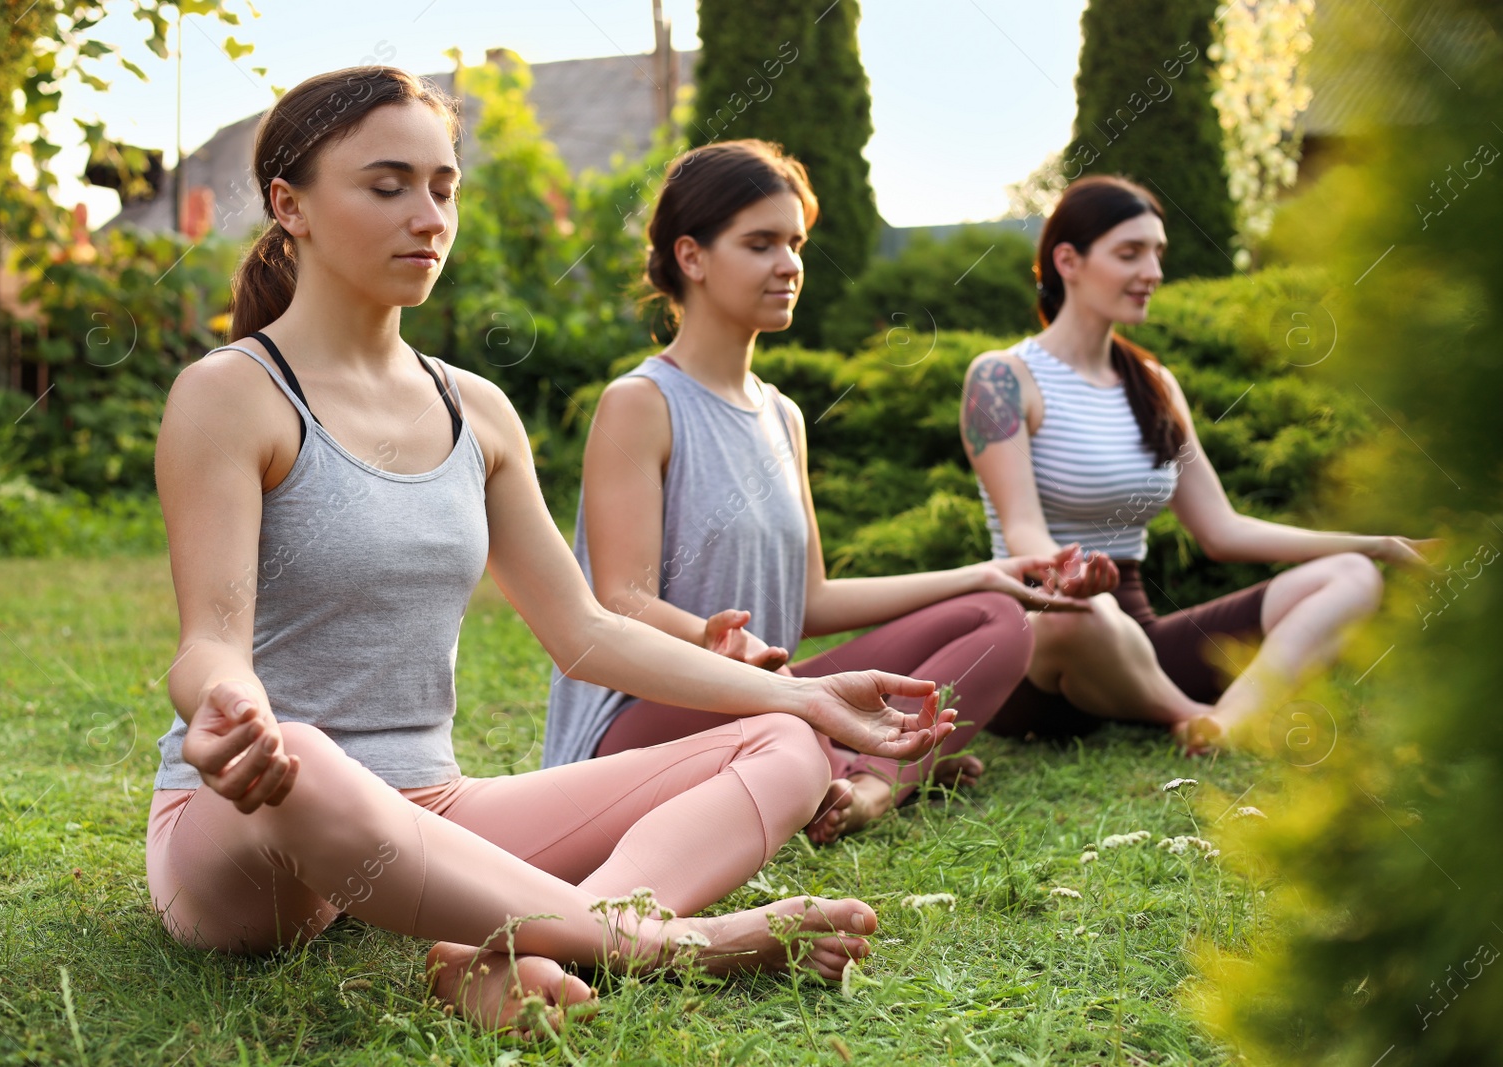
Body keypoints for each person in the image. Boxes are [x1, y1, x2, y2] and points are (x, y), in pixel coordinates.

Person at [146, 67, 956, 1036]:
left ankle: (502, 953)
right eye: (386, 184)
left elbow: (582, 629)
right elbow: (210, 641)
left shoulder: (476, 410)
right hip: (255, 817)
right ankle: (668, 942)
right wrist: (226, 706)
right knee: (313, 755)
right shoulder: (231, 392)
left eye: (443, 186)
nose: (427, 215)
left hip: (430, 808)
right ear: (291, 204)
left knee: (780, 744)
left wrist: (801, 693)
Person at [541, 140, 1087, 842]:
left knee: (998, 620)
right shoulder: (641, 402)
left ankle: (866, 781)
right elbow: (619, 599)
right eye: (761, 243)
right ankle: (877, 763)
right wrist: (711, 640)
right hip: (650, 714)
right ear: (692, 256)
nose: (790, 264)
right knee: (784, 718)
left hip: (779, 694)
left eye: (795, 242)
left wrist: (985, 573)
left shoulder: (783, 416)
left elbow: (813, 600)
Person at [963, 175, 1428, 751]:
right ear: (1068, 260)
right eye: (1130, 253)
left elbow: (1221, 530)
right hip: (1043, 637)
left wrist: (1373, 543)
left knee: (1351, 574)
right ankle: (1185, 712)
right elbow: (1022, 531)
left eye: (1157, 253)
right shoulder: (1001, 378)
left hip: (1137, 640)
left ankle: (1227, 721)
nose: (1152, 272)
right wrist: (1070, 574)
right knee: (1081, 618)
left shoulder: (1156, 384)